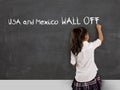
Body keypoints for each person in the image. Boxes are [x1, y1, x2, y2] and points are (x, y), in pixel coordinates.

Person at [70, 23, 104, 90]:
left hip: (80, 78)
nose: (88, 35)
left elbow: (73, 63)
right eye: (87, 33)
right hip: (90, 76)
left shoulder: (73, 49)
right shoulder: (90, 46)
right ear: (85, 36)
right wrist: (99, 29)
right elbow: (100, 39)